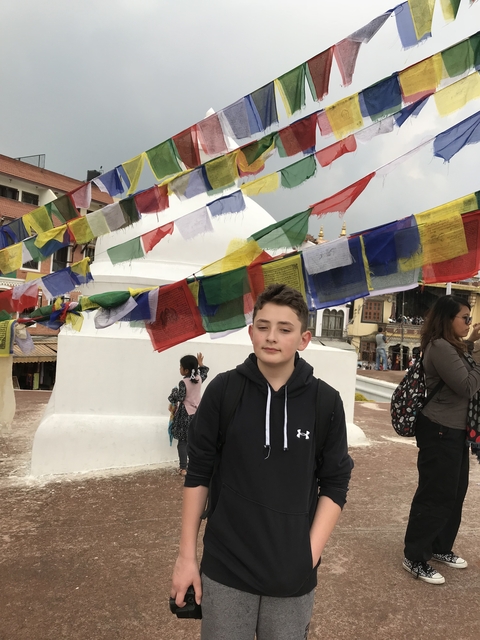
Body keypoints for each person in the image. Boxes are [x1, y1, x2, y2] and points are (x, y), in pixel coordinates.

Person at [170, 284, 353, 640]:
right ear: (251, 332)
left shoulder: (325, 403)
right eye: (263, 326)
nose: (272, 337)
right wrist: (186, 557)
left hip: (292, 572)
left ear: (303, 339)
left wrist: (308, 555)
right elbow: (199, 474)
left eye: (285, 329)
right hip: (226, 566)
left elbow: (335, 483)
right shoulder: (224, 391)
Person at [403, 295, 480, 585]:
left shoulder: (455, 346)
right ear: (448, 319)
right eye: (465, 318)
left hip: (455, 431)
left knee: (455, 492)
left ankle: (440, 547)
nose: (469, 323)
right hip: (439, 430)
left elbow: (466, 360)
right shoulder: (439, 347)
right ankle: (414, 555)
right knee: (435, 494)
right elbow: (467, 386)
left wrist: (473, 340)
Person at [168, 353, 208, 477]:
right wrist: (201, 364)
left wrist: (174, 392)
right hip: (197, 414)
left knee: (183, 441)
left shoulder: (183, 382)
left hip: (185, 414)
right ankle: (195, 466)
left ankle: (183, 468)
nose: (179, 369)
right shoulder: (199, 379)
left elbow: (180, 397)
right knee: (193, 441)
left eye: (180, 367)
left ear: (185, 370)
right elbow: (204, 372)